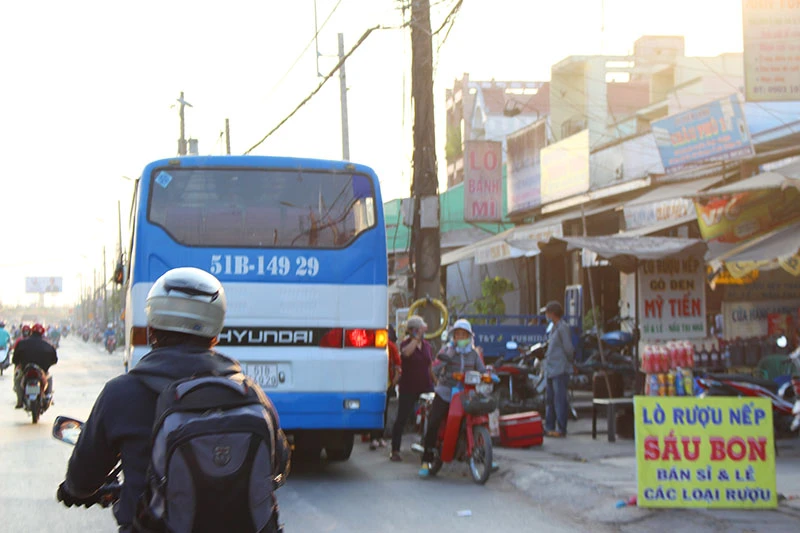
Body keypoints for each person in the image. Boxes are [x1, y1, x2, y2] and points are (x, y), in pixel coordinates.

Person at [56, 267, 290, 533]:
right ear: (216, 331)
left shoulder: (121, 393)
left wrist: (73, 490)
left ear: (152, 327)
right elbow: (280, 465)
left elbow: (84, 477)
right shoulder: (251, 393)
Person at [419, 318, 486, 477]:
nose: (461, 338)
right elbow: (434, 369)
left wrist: (489, 375)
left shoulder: (474, 354)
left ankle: (485, 455)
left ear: (469, 337)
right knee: (434, 421)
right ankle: (426, 459)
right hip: (446, 392)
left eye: (464, 335)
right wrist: (446, 358)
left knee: (481, 416)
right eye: (458, 335)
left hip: (466, 394)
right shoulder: (446, 351)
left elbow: (483, 370)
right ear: (453, 337)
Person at [389, 316, 434, 462]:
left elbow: (430, 366)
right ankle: (395, 450)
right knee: (401, 418)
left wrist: (436, 382)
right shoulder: (405, 344)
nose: (423, 331)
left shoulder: (427, 346)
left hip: (426, 386)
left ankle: (428, 447)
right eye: (421, 329)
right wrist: (415, 339)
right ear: (414, 331)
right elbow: (406, 353)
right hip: (409, 387)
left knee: (431, 417)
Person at [541, 301, 574, 438]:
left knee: (559, 400)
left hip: (560, 369)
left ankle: (561, 428)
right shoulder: (553, 328)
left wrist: (570, 363)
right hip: (551, 369)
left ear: (553, 314)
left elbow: (568, 349)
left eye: (547, 312)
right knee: (550, 399)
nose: (546, 315)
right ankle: (549, 426)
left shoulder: (562, 328)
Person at [12, 323, 57, 408]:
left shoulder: (22, 343)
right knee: (49, 377)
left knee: (17, 378)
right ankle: (48, 396)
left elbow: (15, 359)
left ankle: (20, 401)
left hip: (26, 369)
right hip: (41, 370)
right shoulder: (48, 344)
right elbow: (54, 359)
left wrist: (18, 364)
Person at [370, 330, 402, 450]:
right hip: (374, 384)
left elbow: (398, 364)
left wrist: (394, 381)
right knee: (376, 411)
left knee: (383, 411)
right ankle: (374, 437)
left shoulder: (391, 346)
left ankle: (379, 437)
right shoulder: (372, 345)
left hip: (386, 384)